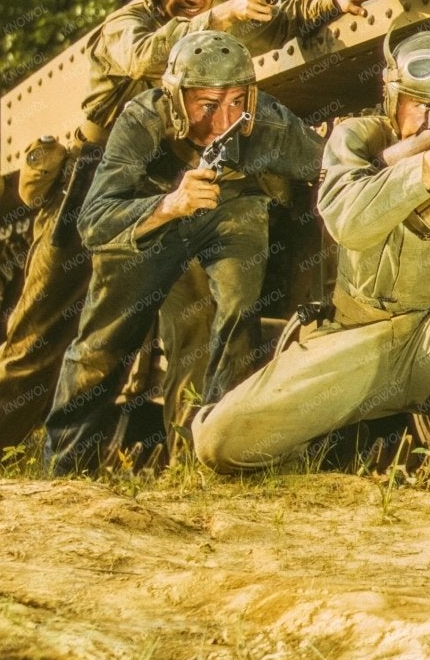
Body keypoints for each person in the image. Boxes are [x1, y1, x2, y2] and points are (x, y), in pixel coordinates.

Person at [0, 0, 369, 473]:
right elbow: (145, 56)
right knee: (42, 333)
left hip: (172, 182)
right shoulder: (128, 25)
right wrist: (224, 14)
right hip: (93, 181)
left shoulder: (212, 29)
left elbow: (278, 22)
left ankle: (194, 462)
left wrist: (331, 1)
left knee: (192, 323)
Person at [191, 29, 430, 477]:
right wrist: (428, 169)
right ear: (392, 102)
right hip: (353, 342)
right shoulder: (356, 139)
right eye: (420, 103)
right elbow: (348, 223)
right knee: (220, 443)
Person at [44, 30, 331, 474]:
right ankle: (65, 472)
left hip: (229, 210)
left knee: (236, 313)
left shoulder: (268, 122)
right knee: (104, 342)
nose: (223, 122)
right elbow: (94, 221)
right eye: (208, 105)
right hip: (150, 218)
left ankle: (213, 462)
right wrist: (168, 205)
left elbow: (336, 165)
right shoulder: (142, 119)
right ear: (176, 99)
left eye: (237, 102)